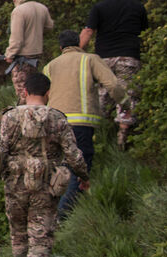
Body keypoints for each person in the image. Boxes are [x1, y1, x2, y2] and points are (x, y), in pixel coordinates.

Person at [0, 73, 89, 257]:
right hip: (45, 188)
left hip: (15, 186)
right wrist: (83, 176)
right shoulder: (58, 119)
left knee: (18, 240)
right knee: (40, 241)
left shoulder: (9, 118)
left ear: (25, 91)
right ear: (48, 92)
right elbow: (73, 155)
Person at [42, 30, 128, 218]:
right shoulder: (90, 59)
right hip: (79, 124)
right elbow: (112, 85)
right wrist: (126, 103)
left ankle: (47, 213)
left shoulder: (49, 66)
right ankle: (62, 216)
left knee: (57, 168)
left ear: (60, 48)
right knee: (78, 168)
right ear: (80, 45)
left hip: (52, 123)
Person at [79, 0, 148, 148]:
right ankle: (123, 134)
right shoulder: (138, 7)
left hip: (105, 58)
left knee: (103, 93)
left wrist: (77, 51)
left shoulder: (99, 8)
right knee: (128, 95)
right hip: (129, 56)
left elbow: (88, 32)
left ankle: (101, 132)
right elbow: (145, 33)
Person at [5, 0, 54, 104]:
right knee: (35, 88)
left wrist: (10, 54)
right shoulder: (41, 7)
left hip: (22, 57)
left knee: (23, 91)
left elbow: (16, 37)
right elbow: (49, 26)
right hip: (37, 54)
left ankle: (23, 115)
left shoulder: (19, 11)